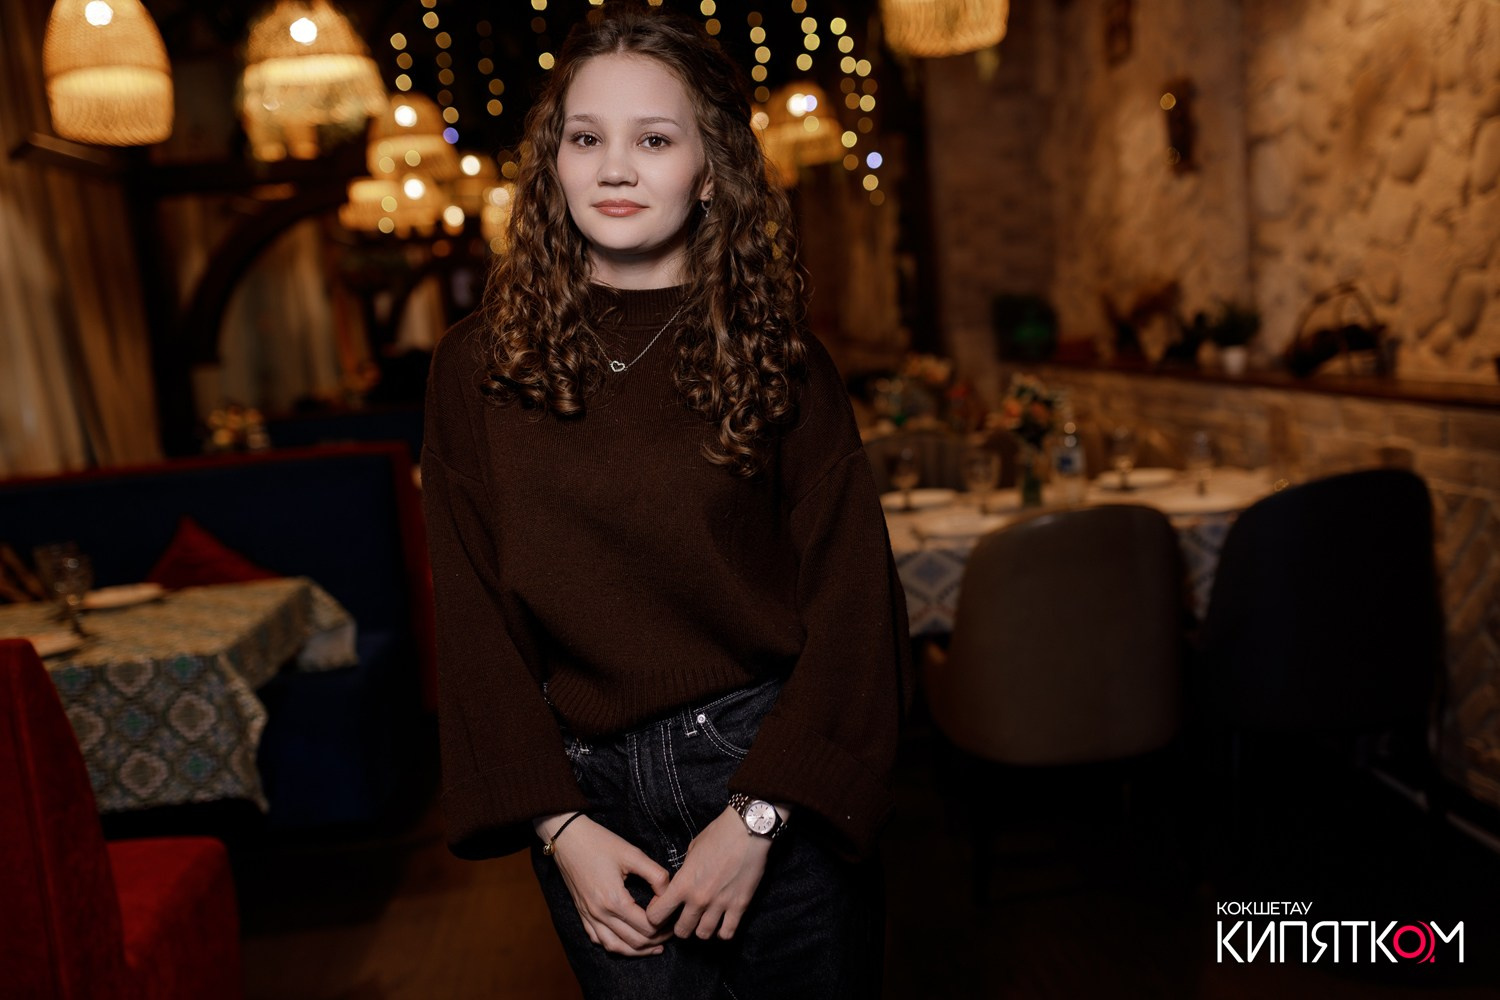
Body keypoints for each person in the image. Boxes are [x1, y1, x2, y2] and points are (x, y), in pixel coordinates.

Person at [421, 5, 910, 997]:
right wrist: (559, 826)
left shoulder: (782, 360)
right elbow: (472, 618)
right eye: (585, 139)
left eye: (653, 140)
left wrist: (763, 815)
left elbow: (857, 608)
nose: (614, 169)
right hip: (587, 799)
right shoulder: (474, 368)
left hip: (762, 773)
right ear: (552, 163)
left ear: (710, 166)